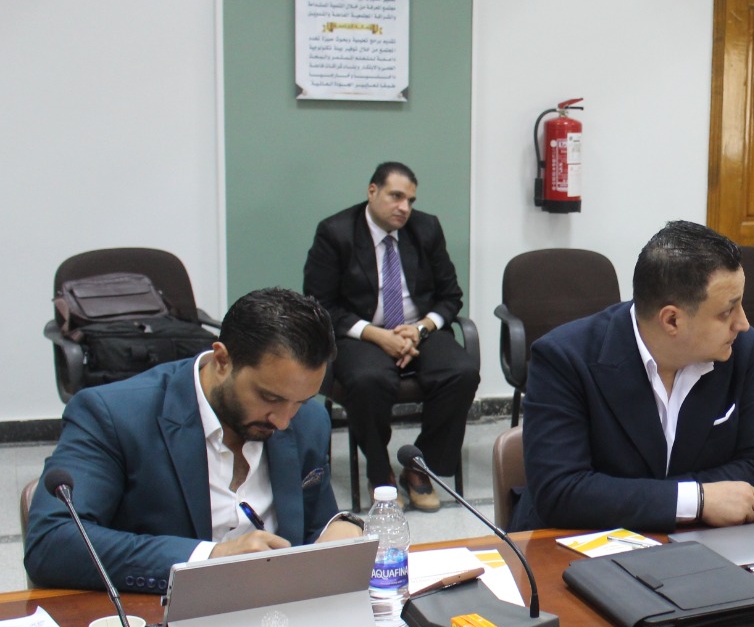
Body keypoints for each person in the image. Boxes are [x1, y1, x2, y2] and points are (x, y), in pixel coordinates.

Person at [25, 288, 360, 592]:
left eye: (301, 401)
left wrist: (341, 527)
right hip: (159, 616)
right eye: (269, 397)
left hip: (276, 617)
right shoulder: (113, 415)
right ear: (222, 360)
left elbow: (316, 527)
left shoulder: (309, 421)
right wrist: (212, 557)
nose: (284, 420)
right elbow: (52, 542)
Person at [513, 221, 754, 533]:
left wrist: (649, 499)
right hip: (576, 543)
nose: (743, 323)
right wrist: (695, 499)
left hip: (697, 541)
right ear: (672, 320)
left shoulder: (741, 349)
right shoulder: (564, 358)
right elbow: (561, 492)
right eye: (727, 312)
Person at [303, 161, 479, 510]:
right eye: (396, 196)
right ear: (373, 191)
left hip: (418, 329)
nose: (404, 207)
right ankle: (379, 471)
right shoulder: (336, 233)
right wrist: (376, 335)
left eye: (410, 200)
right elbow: (319, 304)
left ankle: (418, 466)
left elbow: (450, 296)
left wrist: (420, 328)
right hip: (360, 334)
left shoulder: (426, 229)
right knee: (368, 380)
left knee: (461, 373)